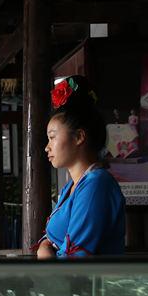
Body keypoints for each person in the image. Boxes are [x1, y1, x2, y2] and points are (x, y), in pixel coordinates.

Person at [37, 76, 125, 258]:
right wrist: (45, 245)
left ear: (79, 137)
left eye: (52, 137)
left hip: (90, 285)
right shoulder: (73, 186)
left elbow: (75, 259)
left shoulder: (96, 185)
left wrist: (45, 250)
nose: (47, 147)